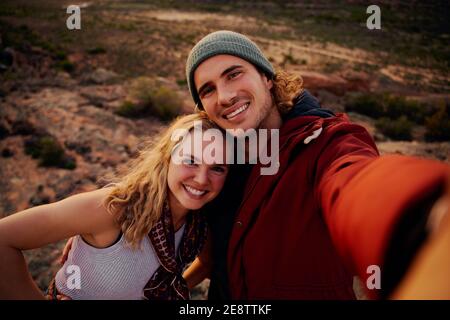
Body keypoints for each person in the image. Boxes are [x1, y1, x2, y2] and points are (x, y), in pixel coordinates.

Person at [182, 30, 450, 300]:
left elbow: (352, 179)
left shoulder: (324, 143)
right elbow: (212, 259)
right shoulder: (217, 164)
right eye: (208, 90)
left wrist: (422, 213)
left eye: (234, 74)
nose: (225, 96)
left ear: (267, 78)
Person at [0, 112, 229, 300]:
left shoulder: (199, 224)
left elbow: (206, 263)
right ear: (166, 159)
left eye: (217, 168)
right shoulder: (114, 208)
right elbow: (4, 238)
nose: (201, 179)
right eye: (190, 161)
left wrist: (165, 292)